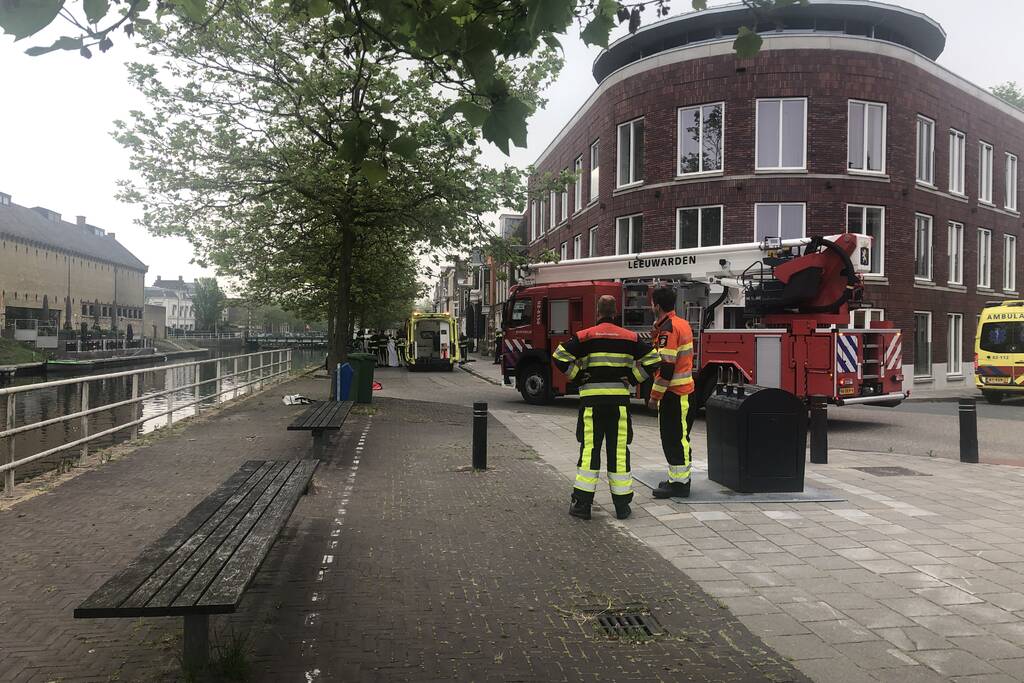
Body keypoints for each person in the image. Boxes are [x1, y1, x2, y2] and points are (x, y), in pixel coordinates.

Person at [552, 295, 661, 521]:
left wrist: (578, 376)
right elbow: (654, 360)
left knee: (590, 451)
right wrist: (633, 378)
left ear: (598, 312)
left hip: (592, 403)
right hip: (619, 404)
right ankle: (622, 506)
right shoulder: (630, 337)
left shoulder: (585, 336)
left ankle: (582, 505)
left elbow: (559, 356)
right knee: (619, 452)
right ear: (615, 312)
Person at [646, 285, 696, 499]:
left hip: (674, 394)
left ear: (657, 306)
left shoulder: (668, 329)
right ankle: (677, 480)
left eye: (652, 304)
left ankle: (680, 484)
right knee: (677, 438)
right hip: (683, 392)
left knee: (675, 439)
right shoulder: (681, 323)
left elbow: (666, 367)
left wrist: (654, 396)